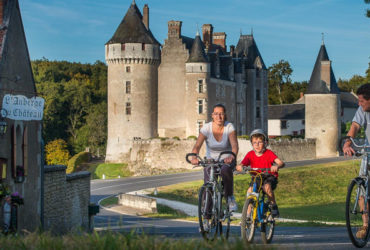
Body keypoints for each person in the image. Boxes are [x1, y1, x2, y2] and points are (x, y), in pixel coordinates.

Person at [190, 103, 239, 211]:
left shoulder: (229, 127)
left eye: (221, 114)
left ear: (225, 115)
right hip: (211, 161)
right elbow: (197, 145)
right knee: (208, 184)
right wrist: (194, 157)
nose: (219, 117)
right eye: (216, 114)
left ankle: (229, 197)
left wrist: (232, 156)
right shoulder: (206, 128)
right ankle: (206, 216)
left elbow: (234, 145)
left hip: (226, 160)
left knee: (226, 170)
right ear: (212, 115)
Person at [236, 129, 284, 217]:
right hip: (256, 177)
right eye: (254, 142)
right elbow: (242, 164)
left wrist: (276, 166)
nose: (257, 145)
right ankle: (247, 216)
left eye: (260, 142)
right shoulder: (250, 154)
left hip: (269, 177)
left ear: (265, 143)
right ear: (252, 144)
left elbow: (280, 162)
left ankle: (273, 205)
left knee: (267, 187)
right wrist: (240, 166)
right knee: (250, 191)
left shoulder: (269, 153)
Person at [343, 83, 370, 239]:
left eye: (362, 101)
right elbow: (354, 126)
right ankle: (365, 225)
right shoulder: (362, 110)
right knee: (362, 188)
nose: (359, 104)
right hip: (368, 151)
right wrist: (347, 143)